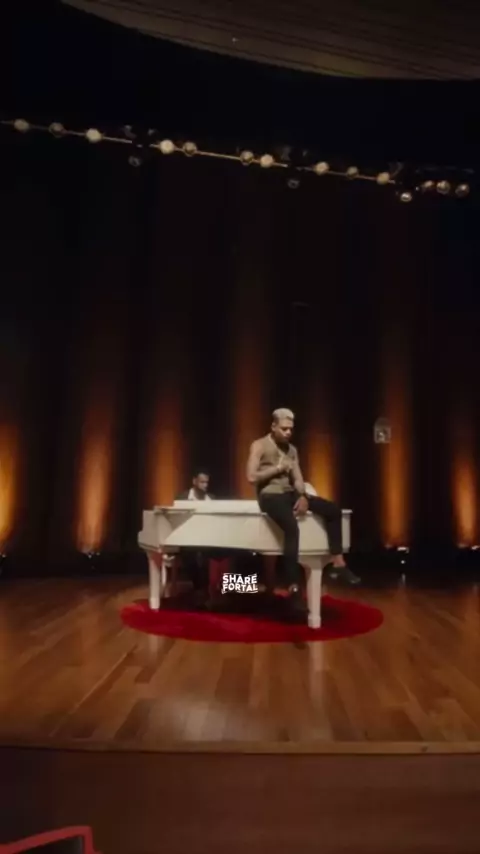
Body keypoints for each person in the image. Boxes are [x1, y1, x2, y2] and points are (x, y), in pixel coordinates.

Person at [246, 408, 360, 612]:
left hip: (290, 493)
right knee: (291, 528)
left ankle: (338, 563)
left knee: (333, 510)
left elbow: (298, 479)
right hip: (270, 496)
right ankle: (293, 586)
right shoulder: (259, 445)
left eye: (291, 429)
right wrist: (278, 469)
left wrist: (303, 496)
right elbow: (251, 477)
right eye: (284, 429)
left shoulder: (292, 450)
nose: (288, 433)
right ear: (273, 426)